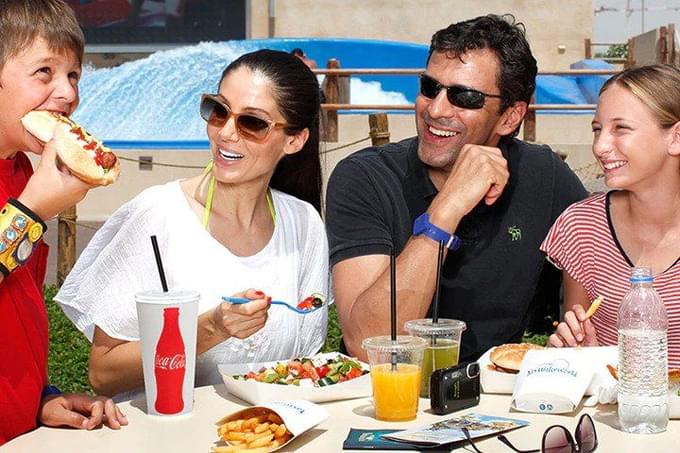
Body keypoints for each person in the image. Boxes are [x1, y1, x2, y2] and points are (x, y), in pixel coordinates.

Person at [55, 49, 329, 398]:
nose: (226, 132)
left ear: (294, 140)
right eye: (218, 111)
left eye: (252, 122)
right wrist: (211, 328)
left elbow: (305, 366)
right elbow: (104, 373)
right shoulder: (156, 215)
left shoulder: (303, 224)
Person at [325, 14, 587, 362]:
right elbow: (370, 345)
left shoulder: (544, 177)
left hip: (499, 403)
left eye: (463, 97)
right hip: (386, 407)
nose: (435, 109)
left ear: (510, 117)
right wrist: (446, 209)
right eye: (430, 87)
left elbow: (620, 251)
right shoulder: (366, 178)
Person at [0, 0, 127, 445]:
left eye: (73, 75)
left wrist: (41, 398)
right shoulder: (31, 191)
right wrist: (32, 210)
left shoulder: (21, 171)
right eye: (45, 72)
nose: (68, 93)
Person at [543, 64, 680, 367]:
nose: (601, 146)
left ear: (675, 137)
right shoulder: (582, 227)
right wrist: (581, 355)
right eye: (597, 129)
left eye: (621, 128)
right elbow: (580, 346)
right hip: (614, 410)